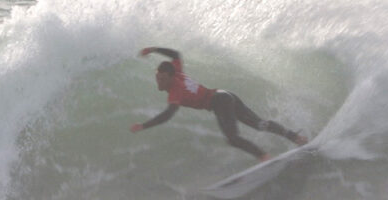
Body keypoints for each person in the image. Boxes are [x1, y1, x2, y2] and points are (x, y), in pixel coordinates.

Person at [130, 47, 307, 162]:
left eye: (161, 79)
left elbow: (168, 114)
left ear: (169, 77)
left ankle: (265, 157)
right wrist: (153, 49)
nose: (158, 82)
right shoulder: (177, 73)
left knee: (233, 138)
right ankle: (296, 138)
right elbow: (176, 55)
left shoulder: (175, 90)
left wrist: (144, 125)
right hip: (224, 95)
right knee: (258, 124)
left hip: (219, 101)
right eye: (157, 78)